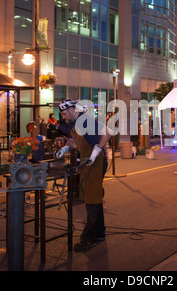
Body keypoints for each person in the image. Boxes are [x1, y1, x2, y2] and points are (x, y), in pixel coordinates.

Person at [55, 99, 112, 252]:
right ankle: (99, 233)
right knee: (92, 197)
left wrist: (95, 152)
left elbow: (107, 133)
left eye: (65, 113)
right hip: (87, 162)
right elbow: (74, 140)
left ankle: (91, 236)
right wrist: (66, 148)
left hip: (96, 161)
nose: (64, 117)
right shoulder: (73, 124)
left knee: (92, 199)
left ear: (73, 110)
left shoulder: (85, 120)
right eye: (62, 114)